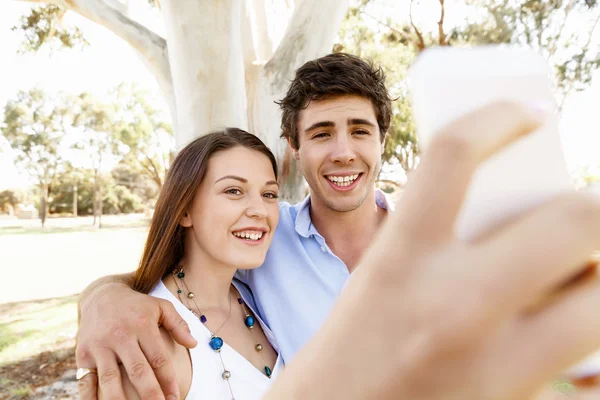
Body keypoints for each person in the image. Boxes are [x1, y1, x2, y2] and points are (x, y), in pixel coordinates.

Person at [76, 54, 600, 399]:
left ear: (381, 144)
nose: (344, 151)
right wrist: (104, 301)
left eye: (360, 131)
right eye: (322, 133)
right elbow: (174, 267)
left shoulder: (447, 243)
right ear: (295, 150)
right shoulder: (262, 234)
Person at [94, 128, 284, 399]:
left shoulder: (256, 296)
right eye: (234, 191)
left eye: (269, 194)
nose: (260, 210)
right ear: (184, 210)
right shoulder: (152, 340)